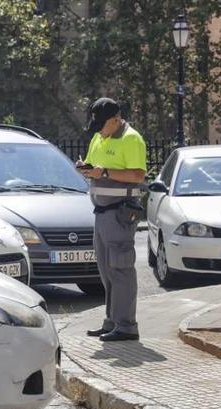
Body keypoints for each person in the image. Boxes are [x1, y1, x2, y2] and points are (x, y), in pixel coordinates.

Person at [75, 98, 147, 342]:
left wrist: (103, 172)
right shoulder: (99, 137)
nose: (98, 130)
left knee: (121, 269)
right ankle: (112, 322)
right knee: (106, 271)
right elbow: (96, 167)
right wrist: (86, 168)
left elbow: (138, 174)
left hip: (120, 213)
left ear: (116, 120)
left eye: (101, 125)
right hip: (102, 213)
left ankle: (127, 326)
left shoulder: (131, 139)